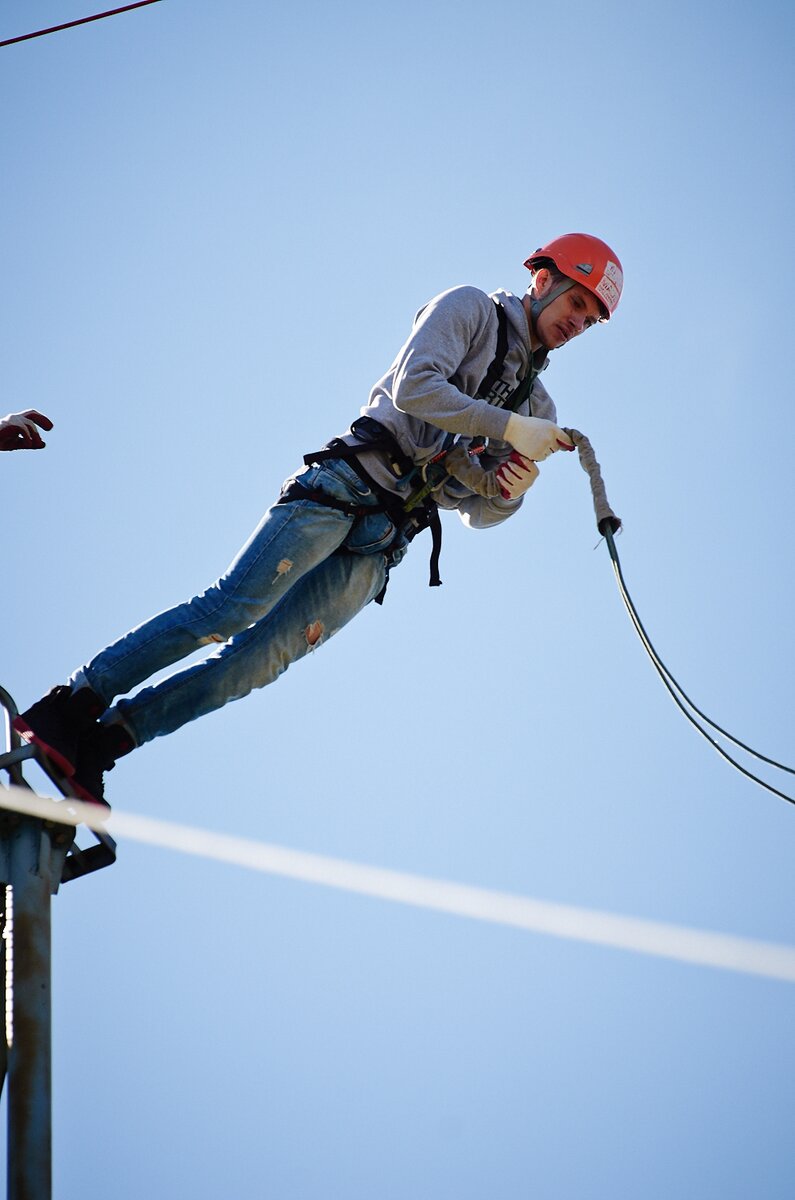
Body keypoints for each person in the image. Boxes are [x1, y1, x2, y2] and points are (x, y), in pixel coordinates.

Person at [14, 233, 623, 806]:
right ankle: (70, 706)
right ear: (542, 279)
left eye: (590, 320)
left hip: (385, 542)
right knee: (231, 610)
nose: (577, 323)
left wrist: (508, 492)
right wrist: (508, 428)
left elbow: (474, 512)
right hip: (347, 485)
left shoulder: (537, 406)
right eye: (576, 302)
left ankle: (104, 744)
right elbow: (415, 389)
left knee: (257, 662)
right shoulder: (469, 310)